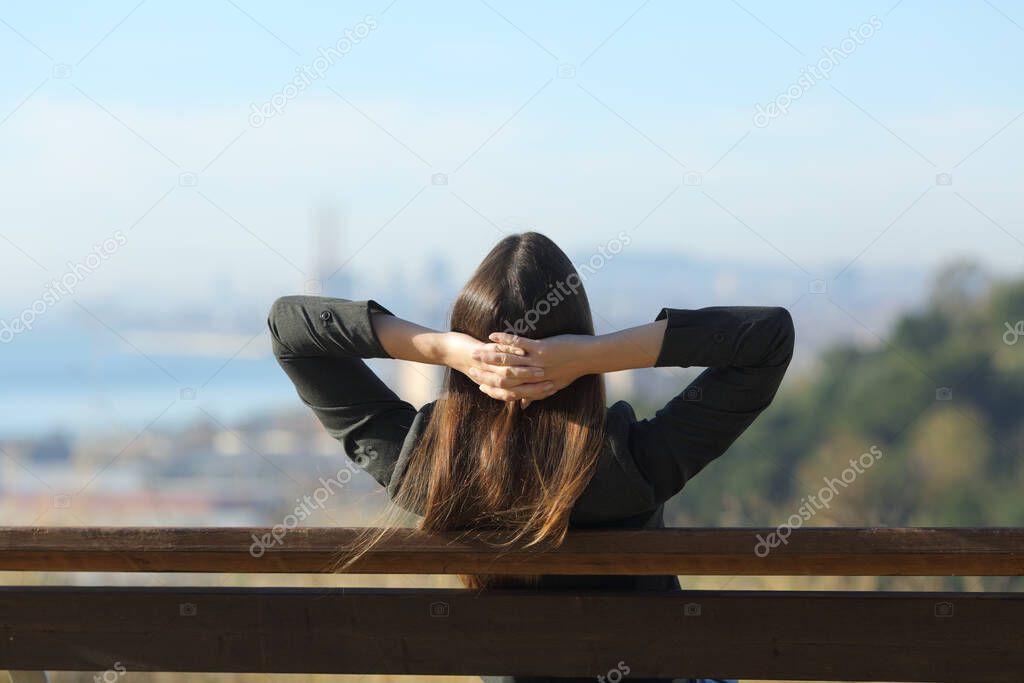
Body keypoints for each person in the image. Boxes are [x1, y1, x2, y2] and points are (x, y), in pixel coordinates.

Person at [268, 231, 795, 683]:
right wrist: (588, 356)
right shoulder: (633, 464)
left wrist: (445, 350)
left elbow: (290, 329)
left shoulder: (426, 470)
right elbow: (767, 338)